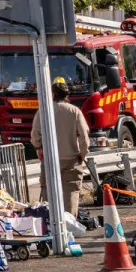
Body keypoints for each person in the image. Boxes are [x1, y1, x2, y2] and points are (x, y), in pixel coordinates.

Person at [29, 80, 91, 221]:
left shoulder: (43, 111)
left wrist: (39, 148)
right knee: (70, 194)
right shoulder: (75, 111)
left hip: (50, 159)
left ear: (52, 94)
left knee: (49, 194)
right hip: (71, 159)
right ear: (67, 94)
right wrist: (82, 154)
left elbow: (35, 134)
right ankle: (69, 228)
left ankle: (50, 225)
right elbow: (84, 137)